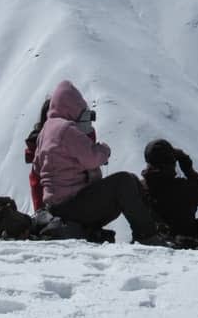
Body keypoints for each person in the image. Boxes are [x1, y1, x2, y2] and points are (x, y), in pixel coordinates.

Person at [34, 80, 167, 246]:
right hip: (72, 206)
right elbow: (92, 158)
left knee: (130, 181)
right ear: (71, 107)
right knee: (124, 182)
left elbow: (37, 168)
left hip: (56, 207)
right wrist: (104, 149)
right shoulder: (66, 129)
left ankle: (148, 232)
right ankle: (148, 236)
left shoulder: (45, 131)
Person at [141, 139, 198, 245]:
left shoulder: (141, 187)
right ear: (171, 161)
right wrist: (189, 170)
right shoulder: (183, 187)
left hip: (153, 240)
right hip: (185, 242)